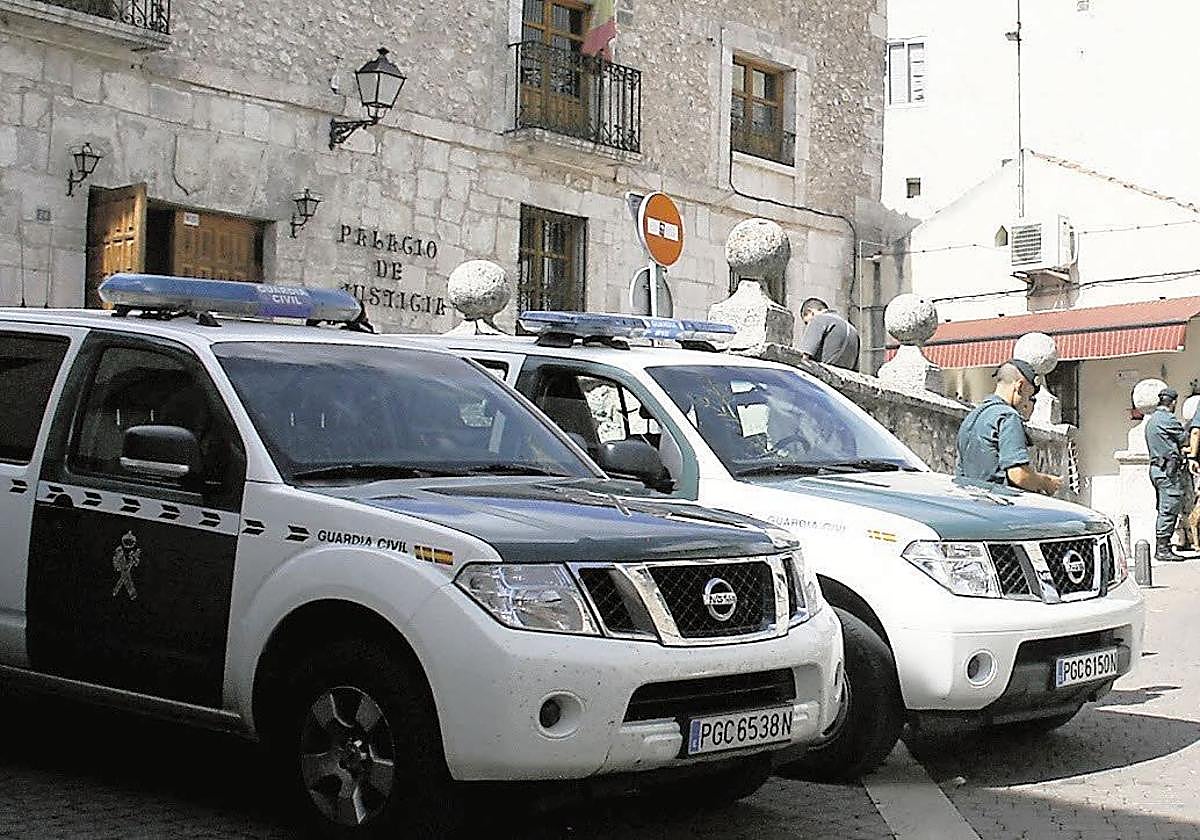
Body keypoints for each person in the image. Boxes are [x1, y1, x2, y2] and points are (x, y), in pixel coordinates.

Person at [956, 359, 1063, 495]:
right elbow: (1018, 475)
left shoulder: (972, 416)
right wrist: (1045, 482)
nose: (1026, 403)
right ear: (1019, 386)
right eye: (1028, 396)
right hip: (997, 506)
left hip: (967, 503)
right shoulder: (1008, 417)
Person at [1145, 387, 1188, 561]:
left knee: (1164, 508)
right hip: (1167, 471)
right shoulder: (1168, 419)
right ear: (1173, 402)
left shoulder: (1152, 420)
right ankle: (1162, 548)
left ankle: (1163, 546)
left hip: (1157, 469)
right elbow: (1184, 438)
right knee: (1168, 509)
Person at [796, 298, 860, 370]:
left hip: (822, 375)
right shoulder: (853, 330)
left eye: (806, 323)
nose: (807, 326)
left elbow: (803, 357)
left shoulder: (818, 319)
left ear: (810, 311)